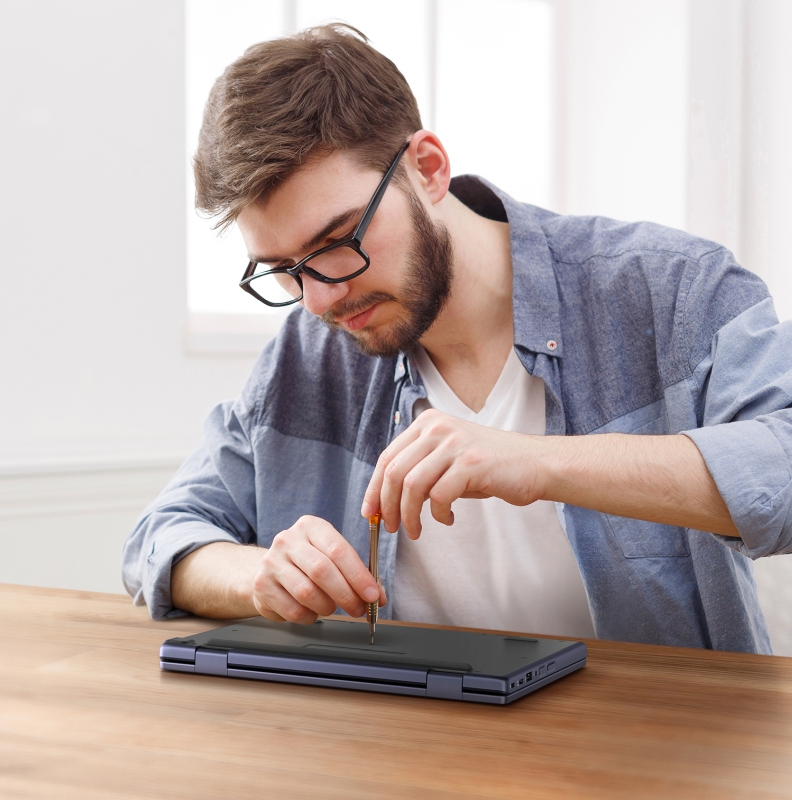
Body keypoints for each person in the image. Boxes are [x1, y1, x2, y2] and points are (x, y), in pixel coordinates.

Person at [123, 24, 792, 653]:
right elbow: (162, 536)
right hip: (402, 758)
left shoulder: (669, 287)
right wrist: (258, 574)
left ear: (429, 167)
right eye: (283, 270)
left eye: (337, 243)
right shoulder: (308, 353)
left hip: (651, 757)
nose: (320, 298)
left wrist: (537, 464)